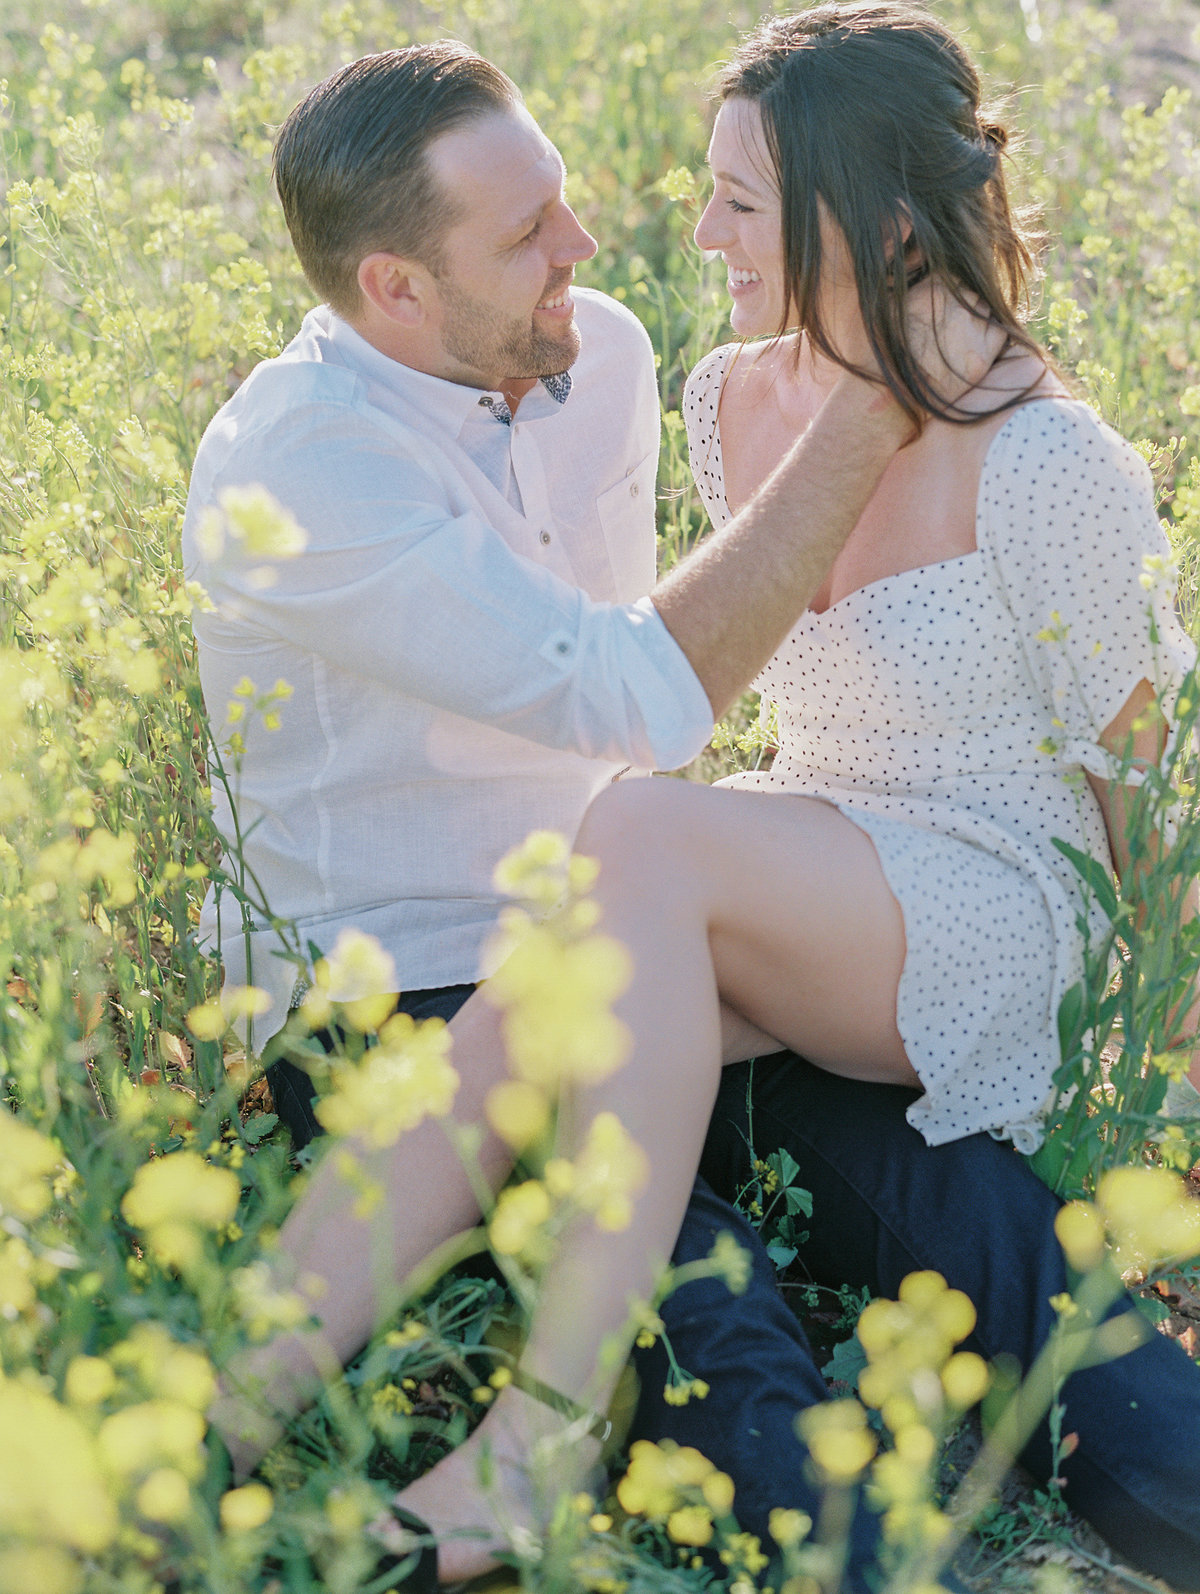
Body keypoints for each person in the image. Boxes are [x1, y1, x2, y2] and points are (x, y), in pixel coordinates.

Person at [179, 23, 1200, 1594]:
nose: (655, 241)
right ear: (395, 284)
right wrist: (858, 414)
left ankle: (548, 1432)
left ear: (875, 221)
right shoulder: (374, 455)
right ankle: (196, 1441)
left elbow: (1155, 815)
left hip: (987, 901)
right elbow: (638, 684)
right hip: (536, 928)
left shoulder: (1049, 457)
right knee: (523, 1026)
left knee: (648, 862)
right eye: (529, 233)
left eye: (734, 201)